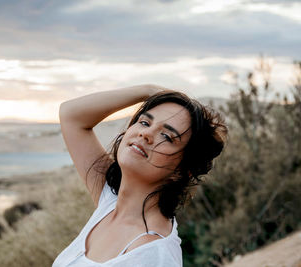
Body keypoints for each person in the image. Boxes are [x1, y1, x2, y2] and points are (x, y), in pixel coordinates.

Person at [52, 84, 227, 266]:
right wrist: (147, 90)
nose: (146, 134)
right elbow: (70, 115)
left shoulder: (156, 255)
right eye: (144, 122)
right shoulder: (110, 202)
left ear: (182, 170)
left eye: (166, 136)